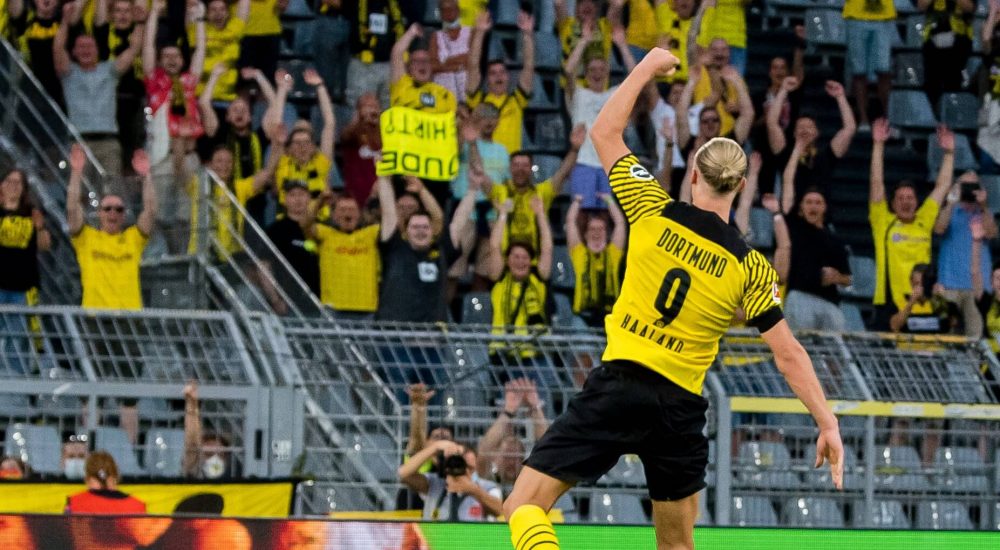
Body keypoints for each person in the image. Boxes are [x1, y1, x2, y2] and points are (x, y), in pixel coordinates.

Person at [502, 48, 843, 550]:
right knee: (677, 547)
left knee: (523, 506)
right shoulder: (751, 266)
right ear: (740, 185)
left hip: (621, 384)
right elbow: (788, 353)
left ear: (694, 175)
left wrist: (646, 67)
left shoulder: (650, 208)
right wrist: (826, 421)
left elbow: (604, 133)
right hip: (680, 408)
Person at [869, 119, 953, 329]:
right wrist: (878, 145)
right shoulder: (883, 222)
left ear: (917, 202)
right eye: (900, 198)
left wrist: (949, 153)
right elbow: (876, 184)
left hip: (923, 300)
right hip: (889, 302)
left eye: (910, 198)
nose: (906, 202)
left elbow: (942, 186)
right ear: (892, 204)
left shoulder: (924, 220)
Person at [54, 1, 140, 179]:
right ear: (74, 52)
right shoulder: (69, 73)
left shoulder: (109, 70)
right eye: (81, 47)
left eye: (89, 46)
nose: (86, 50)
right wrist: (65, 21)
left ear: (97, 50)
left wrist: (140, 23)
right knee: (78, 191)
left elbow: (133, 50)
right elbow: (58, 49)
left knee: (111, 190)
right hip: (78, 143)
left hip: (108, 143)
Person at [376, 172, 475, 323]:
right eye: (415, 227)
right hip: (393, 332)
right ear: (406, 232)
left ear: (433, 231)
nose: (420, 231)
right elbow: (388, 211)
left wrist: (473, 189)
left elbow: (459, 219)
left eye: (425, 227)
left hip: (432, 333)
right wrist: (383, 176)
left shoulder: (442, 251)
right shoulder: (394, 248)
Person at [67, 144, 156, 310]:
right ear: (99, 213)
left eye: (118, 209)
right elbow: (72, 210)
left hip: (129, 316)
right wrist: (76, 173)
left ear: (124, 215)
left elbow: (150, 212)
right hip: (96, 317)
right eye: (107, 208)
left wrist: (147, 176)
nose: (113, 213)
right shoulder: (86, 238)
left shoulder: (133, 238)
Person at [564, 23, 637, 209]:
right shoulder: (578, 95)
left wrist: (622, 45)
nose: (597, 74)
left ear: (607, 73)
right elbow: (569, 70)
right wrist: (584, 41)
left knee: (606, 216)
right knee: (582, 213)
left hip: (609, 166)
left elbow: (637, 76)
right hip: (582, 162)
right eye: (592, 70)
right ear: (586, 74)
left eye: (601, 69)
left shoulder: (614, 94)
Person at [772, 173, 852, 331]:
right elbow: (787, 190)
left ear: (824, 207)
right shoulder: (793, 230)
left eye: (818, 202)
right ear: (801, 207)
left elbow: (848, 278)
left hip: (830, 302)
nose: (813, 207)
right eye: (808, 202)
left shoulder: (835, 240)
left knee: (836, 345)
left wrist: (836, 277)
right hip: (800, 297)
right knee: (800, 343)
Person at [934, 171, 997, 337]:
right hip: (949, 283)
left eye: (973, 185)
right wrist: (950, 201)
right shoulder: (950, 211)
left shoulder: (985, 213)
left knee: (976, 337)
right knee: (946, 336)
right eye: (965, 185)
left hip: (978, 287)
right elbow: (939, 229)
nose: (969, 189)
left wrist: (984, 206)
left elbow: (991, 234)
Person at [0, 168, 49, 374]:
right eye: (9, 181)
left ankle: (16, 385)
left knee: (17, 341)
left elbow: (45, 245)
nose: (13, 186)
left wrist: (40, 227)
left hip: (22, 287)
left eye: (18, 182)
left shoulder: (32, 213)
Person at [466, 10, 535, 154]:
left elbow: (529, 66)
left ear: (508, 77)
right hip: (484, 162)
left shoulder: (517, 100)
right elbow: (473, 66)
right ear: (487, 79)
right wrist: (479, 33)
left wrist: (527, 35)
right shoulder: (478, 100)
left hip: (510, 164)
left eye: (502, 72)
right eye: (493, 73)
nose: (498, 76)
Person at [302, 189, 381, 316]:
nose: (347, 213)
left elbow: (392, 226)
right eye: (342, 210)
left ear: (360, 214)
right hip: (333, 309)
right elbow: (305, 223)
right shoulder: (325, 234)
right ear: (333, 215)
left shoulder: (371, 234)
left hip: (367, 309)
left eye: (352, 209)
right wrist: (320, 201)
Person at [92, 0, 148, 174]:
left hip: (135, 102)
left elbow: (139, 45)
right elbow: (100, 17)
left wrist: (141, 21)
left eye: (127, 11)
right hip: (109, 103)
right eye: (118, 11)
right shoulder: (103, 34)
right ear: (111, 15)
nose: (123, 15)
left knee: (134, 154)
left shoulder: (140, 33)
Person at [398, 439, 503, 521]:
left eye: (469, 467)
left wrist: (473, 490)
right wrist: (435, 447)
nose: (464, 470)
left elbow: (499, 510)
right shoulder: (434, 483)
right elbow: (403, 474)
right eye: (460, 464)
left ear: (475, 466)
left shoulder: (487, 487)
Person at [565, 193, 626, 328]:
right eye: (592, 229)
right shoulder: (579, 253)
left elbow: (620, 224)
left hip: (610, 317)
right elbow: (570, 222)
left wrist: (609, 200)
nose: (596, 233)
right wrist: (577, 202)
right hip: (583, 317)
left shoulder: (613, 253)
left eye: (601, 229)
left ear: (607, 233)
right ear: (586, 234)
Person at [477, 378, 549, 487]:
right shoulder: (487, 479)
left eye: (517, 458)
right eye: (507, 457)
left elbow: (548, 451)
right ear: (495, 458)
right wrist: (508, 412)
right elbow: (484, 451)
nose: (511, 463)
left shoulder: (528, 483)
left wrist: (535, 408)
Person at [843, 0, 896, 130]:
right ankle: (863, 120)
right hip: (855, 16)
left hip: (884, 17)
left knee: (884, 70)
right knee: (859, 72)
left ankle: (888, 120)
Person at [390, 23, 457, 114]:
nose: (422, 64)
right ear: (409, 67)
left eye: (426, 61)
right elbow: (397, 53)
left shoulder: (444, 94)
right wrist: (412, 32)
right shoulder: (402, 85)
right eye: (416, 61)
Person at [191, 0, 250, 103]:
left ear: (228, 13)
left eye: (222, 9)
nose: (218, 13)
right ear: (207, 13)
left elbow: (244, 5)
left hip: (228, 98)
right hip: (201, 96)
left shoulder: (234, 29)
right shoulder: (198, 30)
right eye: (213, 10)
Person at [920, 0, 974, 110]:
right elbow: (921, 5)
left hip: (959, 41)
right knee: (932, 85)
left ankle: (952, 113)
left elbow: (970, 7)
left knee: (953, 83)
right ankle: (934, 113)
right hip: (932, 41)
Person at [183, 380, 236, 479]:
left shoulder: (235, 476)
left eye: (220, 455)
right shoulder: (193, 470)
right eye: (209, 454)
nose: (215, 459)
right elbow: (192, 437)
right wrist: (191, 403)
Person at [65, 451, 146, 513]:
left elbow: (64, 529)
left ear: (88, 478)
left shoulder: (74, 503)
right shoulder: (138, 506)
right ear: (116, 476)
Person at [890, 263, 959, 334]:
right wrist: (911, 303)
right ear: (911, 282)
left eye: (924, 284)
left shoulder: (940, 303)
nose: (921, 288)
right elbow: (894, 326)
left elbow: (953, 324)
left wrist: (941, 299)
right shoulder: (899, 302)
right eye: (917, 284)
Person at [428, 0, 470, 99]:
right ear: (440, 14)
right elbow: (432, 66)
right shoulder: (436, 36)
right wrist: (458, 66)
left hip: (467, 92)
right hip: (442, 94)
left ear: (458, 11)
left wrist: (446, 62)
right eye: (444, 10)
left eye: (452, 9)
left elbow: (471, 61)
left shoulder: (469, 32)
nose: (449, 13)